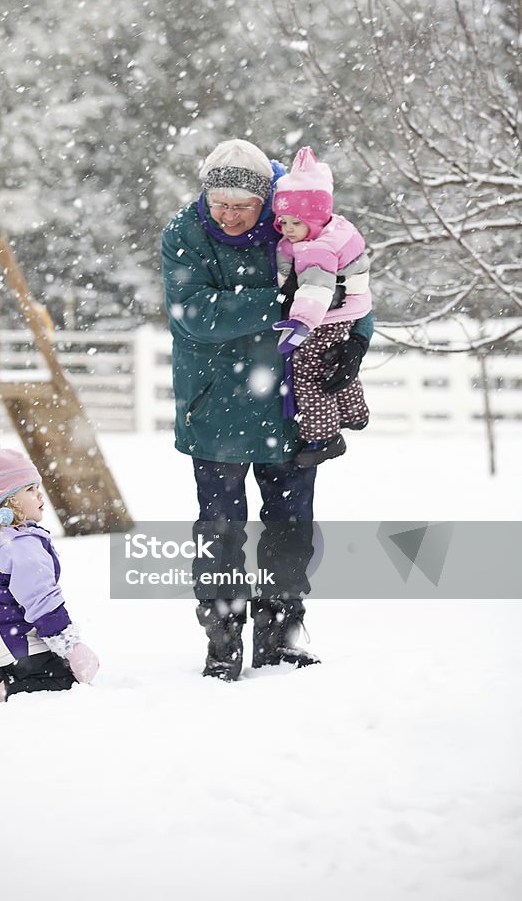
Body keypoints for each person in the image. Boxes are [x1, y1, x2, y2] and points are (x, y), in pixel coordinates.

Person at [161, 139, 374, 681]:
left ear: (267, 200)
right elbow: (194, 314)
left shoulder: (299, 218)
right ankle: (223, 635)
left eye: (243, 205)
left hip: (290, 403)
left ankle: (281, 631)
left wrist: (357, 341)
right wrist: (282, 302)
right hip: (216, 408)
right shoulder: (183, 235)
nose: (229, 215)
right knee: (221, 528)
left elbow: (350, 279)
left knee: (290, 525)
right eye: (220, 203)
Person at [0, 439, 99, 702]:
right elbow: (43, 603)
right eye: (29, 489)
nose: (40, 495)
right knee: (63, 679)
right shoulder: (19, 546)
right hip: (15, 651)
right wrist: (71, 647)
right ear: (4, 503)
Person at [272, 146, 371, 466]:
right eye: (282, 221)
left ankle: (325, 438)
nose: (286, 229)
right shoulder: (328, 230)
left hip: (325, 316)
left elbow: (316, 288)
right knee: (331, 364)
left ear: (313, 220)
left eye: (294, 222)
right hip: (344, 314)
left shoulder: (317, 249)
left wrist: (300, 322)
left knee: (308, 371)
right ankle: (354, 413)